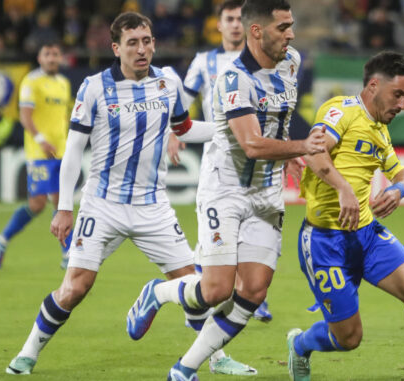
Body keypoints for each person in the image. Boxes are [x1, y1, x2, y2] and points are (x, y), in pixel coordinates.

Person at [4, 12, 252, 376]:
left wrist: (228, 130)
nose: (142, 49)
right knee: (75, 288)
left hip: (153, 206)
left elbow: (182, 128)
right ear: (116, 48)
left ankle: (215, 359)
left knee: (198, 285)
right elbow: (74, 150)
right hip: (102, 204)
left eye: (147, 41)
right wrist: (66, 207)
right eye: (133, 43)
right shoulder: (94, 87)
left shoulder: (168, 82)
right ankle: (27, 353)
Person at [126, 1, 327, 379]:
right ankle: (159, 292)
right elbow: (251, 144)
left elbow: (276, 122)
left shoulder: (292, 62)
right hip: (226, 190)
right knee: (216, 289)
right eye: (282, 27)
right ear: (257, 31)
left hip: (267, 192)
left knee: (253, 291)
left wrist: (287, 155)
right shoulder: (232, 80)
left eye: (291, 25)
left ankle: (183, 369)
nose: (291, 34)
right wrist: (303, 147)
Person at [286, 52, 404, 381]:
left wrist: (398, 191)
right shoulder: (341, 111)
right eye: (398, 95)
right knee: (348, 338)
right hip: (324, 241)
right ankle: (300, 344)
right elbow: (316, 154)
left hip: (366, 235)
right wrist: (343, 188)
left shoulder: (380, 131)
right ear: (374, 85)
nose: (402, 105)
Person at [169, 0, 273, 323]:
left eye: (240, 19)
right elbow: (182, 103)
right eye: (229, 19)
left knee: (253, 223)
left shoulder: (260, 60)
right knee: (218, 228)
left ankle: (248, 291)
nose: (235, 25)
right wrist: (175, 134)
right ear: (219, 24)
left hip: (253, 152)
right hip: (219, 151)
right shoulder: (204, 61)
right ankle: (208, 292)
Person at [0, 41, 73, 270]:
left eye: (56, 54)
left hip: (61, 151)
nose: (52, 58)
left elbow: (63, 117)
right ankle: (1, 241)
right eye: (48, 54)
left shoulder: (64, 83)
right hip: (38, 152)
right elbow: (26, 116)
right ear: (40, 58)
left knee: (61, 202)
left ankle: (68, 255)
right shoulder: (31, 82)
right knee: (37, 204)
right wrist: (40, 140)